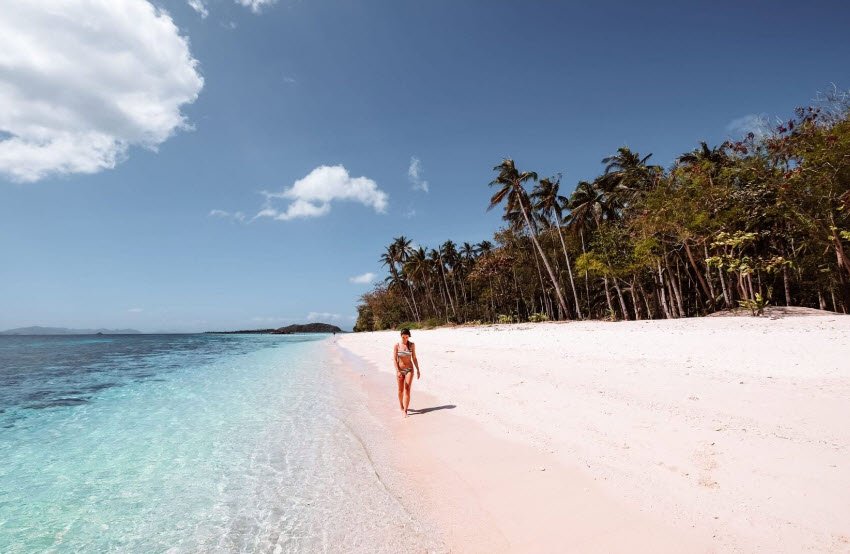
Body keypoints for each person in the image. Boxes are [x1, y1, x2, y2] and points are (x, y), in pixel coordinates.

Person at [393, 328, 420, 418]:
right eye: (403, 337)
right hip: (400, 370)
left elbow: (414, 358)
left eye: (406, 337)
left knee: (407, 388)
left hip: (409, 369)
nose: (405, 339)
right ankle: (401, 405)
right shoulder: (397, 346)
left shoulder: (412, 345)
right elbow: (395, 360)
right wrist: (398, 371)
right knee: (400, 390)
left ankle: (405, 410)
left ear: (409, 336)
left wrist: (418, 369)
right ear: (401, 336)